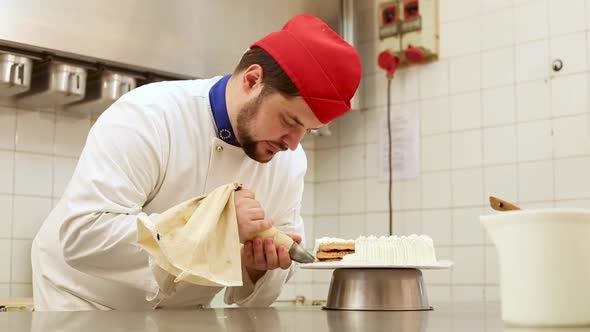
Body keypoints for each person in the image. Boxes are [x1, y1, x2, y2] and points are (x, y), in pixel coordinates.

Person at [31, 14, 362, 311]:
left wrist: (257, 268)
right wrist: (215, 225)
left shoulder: (289, 162)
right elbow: (83, 235)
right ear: (252, 80)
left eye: (308, 130)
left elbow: (269, 286)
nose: (293, 143)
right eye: (290, 120)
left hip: (183, 313)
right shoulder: (148, 115)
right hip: (84, 302)